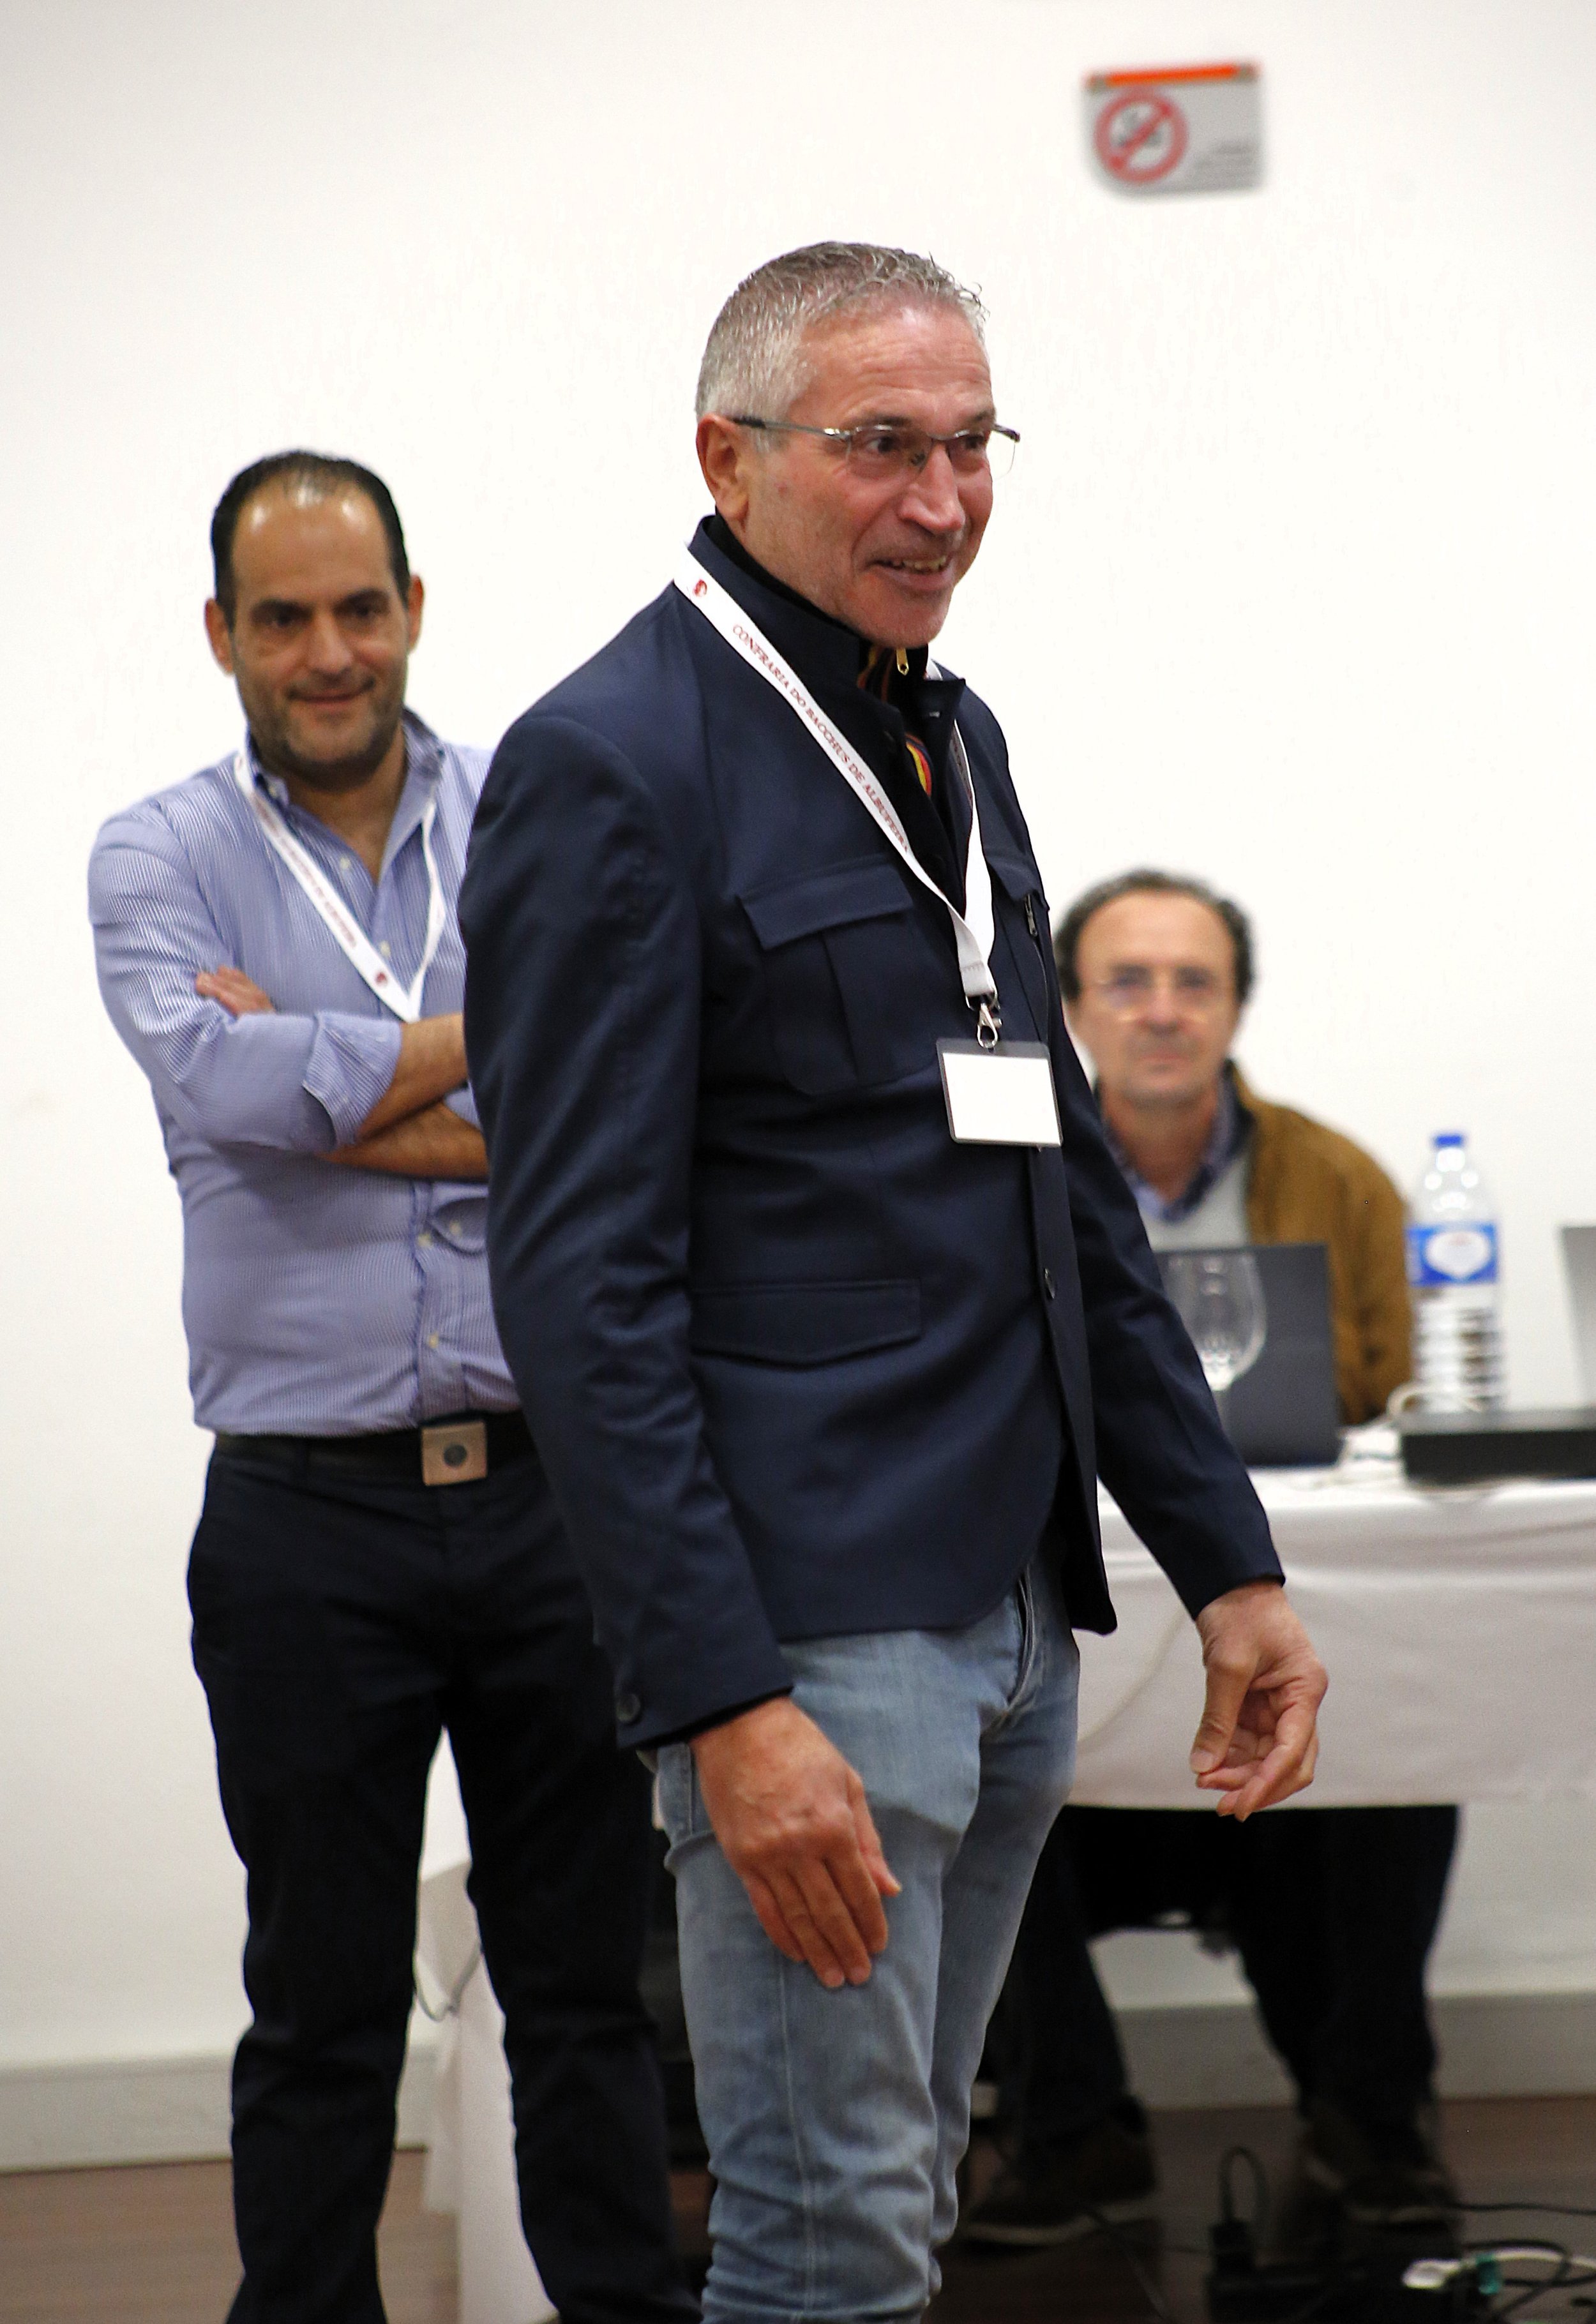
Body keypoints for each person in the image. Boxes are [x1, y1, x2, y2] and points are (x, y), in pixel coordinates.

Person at [459, 242, 1327, 2324]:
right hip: (814, 1642)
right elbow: (581, 1287)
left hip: (1010, 1613)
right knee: (825, 2242)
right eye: (880, 449)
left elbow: (1067, 1205)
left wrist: (1230, 1560)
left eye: (969, 446)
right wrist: (727, 1704)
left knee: (899, 2204)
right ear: (728, 457)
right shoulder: (614, 765)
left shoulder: (950, 737)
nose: (940, 502)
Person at [87, 453, 696, 2324]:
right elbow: (216, 1090)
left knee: (592, 1991)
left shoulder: (538, 808)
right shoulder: (157, 853)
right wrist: (476, 1075)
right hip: (305, 1519)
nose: (329, 650)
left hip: (552, 1493)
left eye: (361, 607)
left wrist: (325, 1091)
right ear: (224, 636)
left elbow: (618, 1086)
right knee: (322, 2001)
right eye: (285, 616)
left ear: (414, 607)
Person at [963, 868, 1458, 2247]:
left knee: (1411, 1725)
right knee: (969, 1748)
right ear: (1067, 1010)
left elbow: (1374, 1377)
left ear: (1235, 1009)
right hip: (1075, 1632)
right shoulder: (1000, 1170)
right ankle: (1070, 2134)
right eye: (1125, 982)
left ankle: (1368, 2115)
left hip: (1269, 1604)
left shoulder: (1335, 1175)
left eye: (1193, 983)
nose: (1161, 1013)